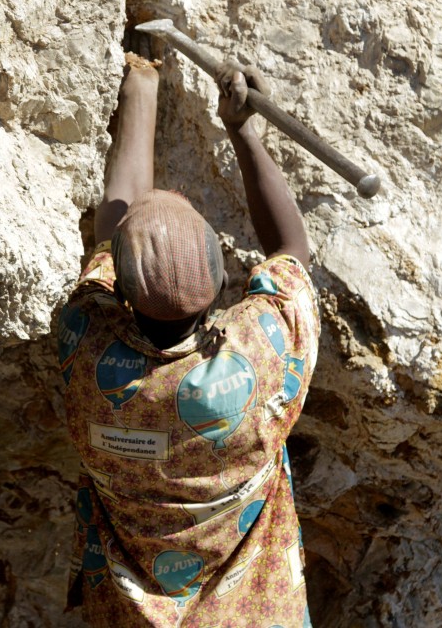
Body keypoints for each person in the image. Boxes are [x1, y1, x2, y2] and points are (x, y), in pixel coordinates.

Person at [57, 50, 319, 627]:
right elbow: (291, 251)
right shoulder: (261, 354)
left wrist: (141, 85)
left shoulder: (86, 344)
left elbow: (109, 237)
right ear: (224, 285)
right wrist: (241, 129)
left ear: (123, 296)